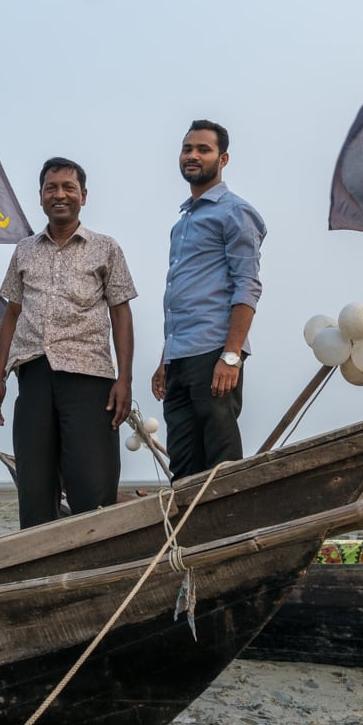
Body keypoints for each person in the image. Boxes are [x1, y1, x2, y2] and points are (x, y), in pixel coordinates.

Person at [0, 158, 136, 528]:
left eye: (69, 187)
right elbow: (11, 314)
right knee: (35, 482)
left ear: (83, 195)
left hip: (89, 375)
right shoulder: (24, 250)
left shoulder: (106, 248)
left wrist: (125, 379)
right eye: (51, 188)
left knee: (92, 482)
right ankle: (39, 573)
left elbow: (121, 313)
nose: (60, 194)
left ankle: (95, 562)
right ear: (40, 197)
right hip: (33, 374)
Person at [151, 119, 266, 480]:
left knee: (220, 458)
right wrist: (164, 358)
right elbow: (183, 296)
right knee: (183, 461)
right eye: (188, 149)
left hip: (214, 351)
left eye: (204, 149)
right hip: (179, 356)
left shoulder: (235, 212)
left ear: (223, 158)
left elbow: (247, 285)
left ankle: (233, 531)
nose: (193, 155)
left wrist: (231, 356)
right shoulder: (183, 221)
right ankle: (191, 535)